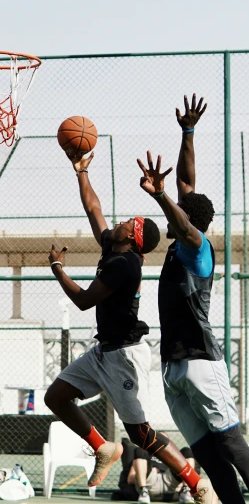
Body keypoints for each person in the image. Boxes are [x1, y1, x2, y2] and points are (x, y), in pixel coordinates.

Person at [44, 150, 213, 503]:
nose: (120, 221)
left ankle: (196, 483)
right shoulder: (114, 247)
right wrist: (82, 172)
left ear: (132, 236)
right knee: (56, 396)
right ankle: (103, 447)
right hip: (104, 350)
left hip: (125, 355)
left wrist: (59, 268)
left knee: (141, 435)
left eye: (128, 221)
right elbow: (94, 209)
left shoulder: (125, 264)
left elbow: (84, 300)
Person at [138, 94, 249, 503]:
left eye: (179, 212)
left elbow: (183, 220)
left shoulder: (198, 248)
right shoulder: (181, 243)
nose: (174, 215)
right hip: (174, 368)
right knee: (206, 454)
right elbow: (188, 184)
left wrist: (159, 197)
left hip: (202, 362)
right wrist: (188, 133)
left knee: (232, 446)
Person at [113, 439, 212, 503]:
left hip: (170, 482)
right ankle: (144, 492)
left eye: (165, 442)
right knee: (140, 450)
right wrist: (149, 471)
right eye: (159, 441)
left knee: (187, 451)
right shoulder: (145, 456)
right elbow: (130, 479)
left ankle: (186, 490)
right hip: (151, 482)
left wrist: (182, 480)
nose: (162, 445)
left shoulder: (173, 457)